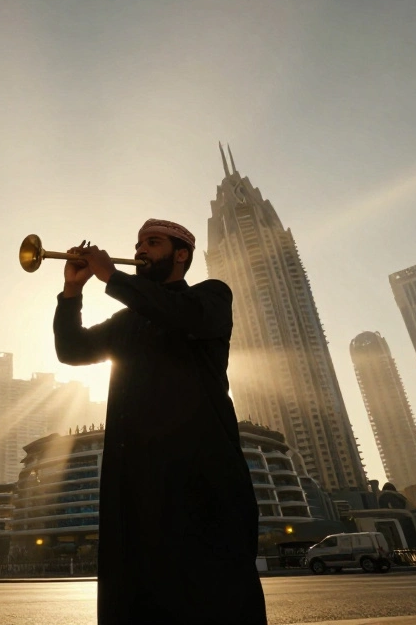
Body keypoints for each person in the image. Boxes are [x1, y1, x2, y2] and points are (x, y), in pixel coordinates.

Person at [53, 219, 267, 625]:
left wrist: (111, 276)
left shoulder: (211, 296)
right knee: (135, 598)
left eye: (152, 243)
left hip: (199, 480)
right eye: (138, 243)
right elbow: (72, 349)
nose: (140, 250)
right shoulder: (128, 321)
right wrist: (72, 292)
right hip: (135, 484)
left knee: (213, 596)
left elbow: (179, 314)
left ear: (181, 254)